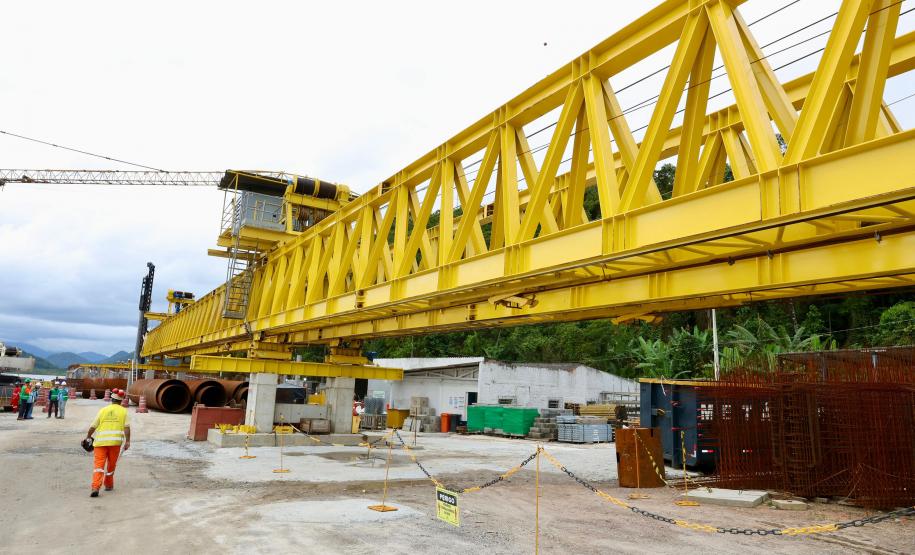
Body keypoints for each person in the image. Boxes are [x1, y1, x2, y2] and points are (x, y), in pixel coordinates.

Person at [85, 388, 131, 498]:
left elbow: (93, 426)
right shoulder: (123, 411)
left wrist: (88, 437)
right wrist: (128, 441)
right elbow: (127, 428)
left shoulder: (103, 410)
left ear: (112, 400)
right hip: (115, 443)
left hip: (100, 442)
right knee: (111, 465)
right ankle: (109, 484)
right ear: (120, 401)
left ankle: (95, 487)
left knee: (99, 466)